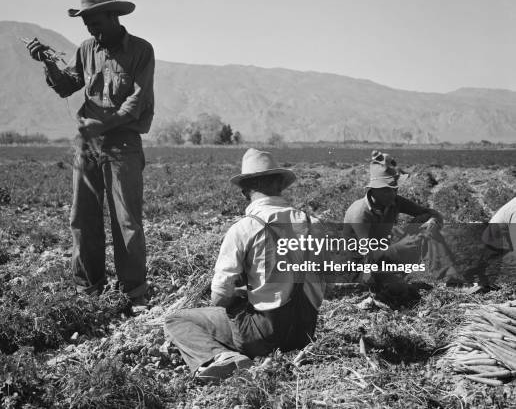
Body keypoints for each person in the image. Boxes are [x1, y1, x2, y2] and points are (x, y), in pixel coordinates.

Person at [26, 0, 154, 308]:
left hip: (123, 144)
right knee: (82, 219)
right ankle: (88, 292)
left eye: (95, 21)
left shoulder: (141, 50)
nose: (90, 28)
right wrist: (47, 63)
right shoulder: (86, 49)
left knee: (126, 222)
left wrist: (104, 124)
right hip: (87, 145)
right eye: (86, 23)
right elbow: (67, 86)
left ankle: (134, 294)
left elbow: (136, 105)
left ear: (113, 16)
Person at [164, 148, 326, 381]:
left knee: (177, 319)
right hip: (304, 332)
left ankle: (221, 358)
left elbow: (219, 297)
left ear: (244, 192)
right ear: (281, 184)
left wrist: (241, 295)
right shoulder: (315, 225)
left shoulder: (244, 229)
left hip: (262, 335)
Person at [343, 150, 463, 305]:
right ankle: (388, 281)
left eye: (395, 189)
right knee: (398, 289)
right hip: (361, 267)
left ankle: (453, 280)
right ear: (374, 189)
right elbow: (367, 254)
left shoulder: (394, 201)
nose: (393, 194)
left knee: (426, 225)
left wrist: (433, 221)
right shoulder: (360, 213)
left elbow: (430, 213)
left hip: (385, 256)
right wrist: (399, 248)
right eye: (387, 189)